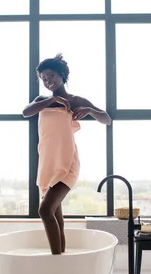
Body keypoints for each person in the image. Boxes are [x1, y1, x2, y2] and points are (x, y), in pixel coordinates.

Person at [22, 54, 111, 254]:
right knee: (56, 217)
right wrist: (51, 100)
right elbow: (26, 112)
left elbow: (106, 119)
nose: (48, 81)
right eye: (44, 79)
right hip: (47, 164)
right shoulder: (42, 101)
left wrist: (88, 109)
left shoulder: (75, 100)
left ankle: (56, 262)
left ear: (62, 75)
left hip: (67, 163)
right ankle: (61, 261)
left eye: (51, 76)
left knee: (45, 210)